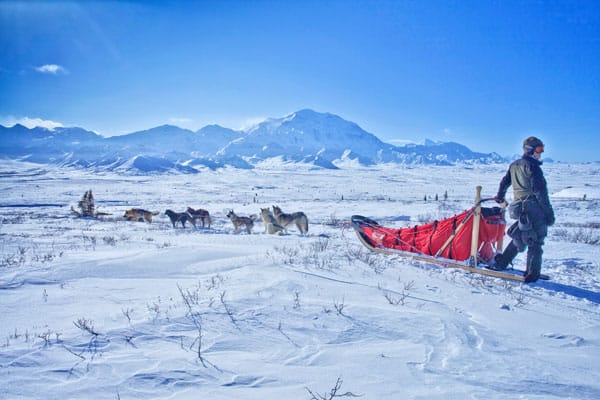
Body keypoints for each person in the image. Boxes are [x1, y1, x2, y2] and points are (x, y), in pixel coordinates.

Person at [489, 136, 555, 282]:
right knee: (536, 241)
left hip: (519, 207)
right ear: (530, 150)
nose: (540, 153)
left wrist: (500, 196)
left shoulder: (514, 165)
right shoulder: (533, 168)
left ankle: (501, 263)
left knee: (519, 236)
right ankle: (532, 275)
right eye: (539, 150)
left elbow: (505, 182)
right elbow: (540, 193)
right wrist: (549, 214)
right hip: (534, 208)